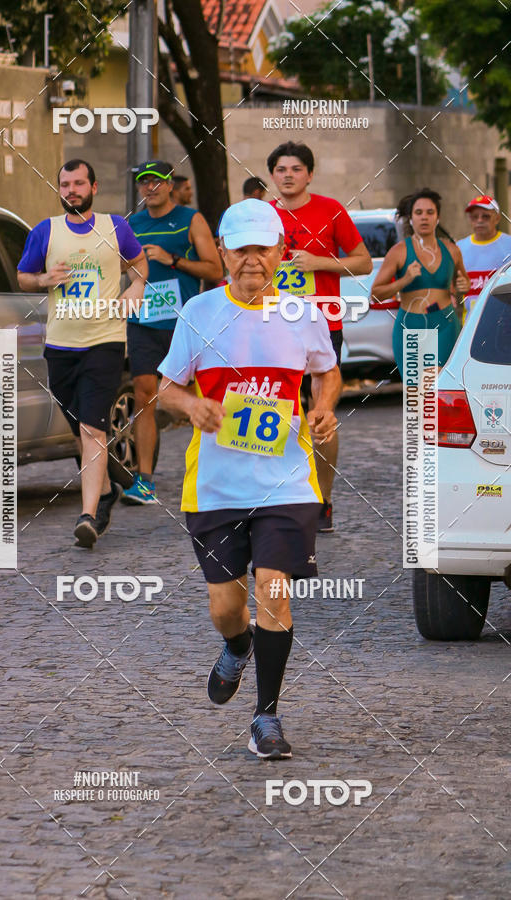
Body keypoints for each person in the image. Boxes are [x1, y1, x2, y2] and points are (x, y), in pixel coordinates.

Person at [157, 199, 341, 759]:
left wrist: (325, 408)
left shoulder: (302, 314)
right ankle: (236, 645)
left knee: (274, 593)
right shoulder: (200, 314)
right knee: (225, 606)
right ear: (223, 252)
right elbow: (163, 390)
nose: (253, 261)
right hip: (216, 485)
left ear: (281, 252)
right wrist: (192, 407)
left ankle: (266, 717)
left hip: (286, 483)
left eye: (264, 248)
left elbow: (328, 374)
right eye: (241, 250)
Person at [17, 158, 147, 548]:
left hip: (104, 341)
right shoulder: (46, 231)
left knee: (92, 427)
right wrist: (43, 279)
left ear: (94, 187)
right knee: (82, 429)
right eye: (65, 184)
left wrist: (135, 289)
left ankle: (89, 515)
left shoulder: (115, 227)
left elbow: (139, 264)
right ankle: (108, 487)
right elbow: (23, 277)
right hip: (60, 348)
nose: (71, 190)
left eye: (78, 183)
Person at [267, 140, 372, 533]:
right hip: (271, 326)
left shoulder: (331, 210)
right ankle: (284, 496)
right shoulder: (264, 216)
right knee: (276, 412)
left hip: (323, 324)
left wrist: (318, 262)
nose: (288, 175)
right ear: (273, 175)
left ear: (309, 174)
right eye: (281, 170)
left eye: (296, 169)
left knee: (320, 414)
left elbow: (362, 261)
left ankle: (323, 500)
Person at [122, 160, 223, 505]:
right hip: (144, 320)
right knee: (144, 394)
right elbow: (118, 268)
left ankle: (211, 472)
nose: (150, 188)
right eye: (143, 182)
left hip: (185, 321)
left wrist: (172, 259)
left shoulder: (190, 219)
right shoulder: (130, 224)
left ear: (170, 185)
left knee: (197, 393)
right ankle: (144, 480)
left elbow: (215, 268)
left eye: (156, 182)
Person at [371, 187, 471, 375]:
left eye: (430, 212)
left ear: (437, 218)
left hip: (444, 323)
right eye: (418, 212)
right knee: (415, 398)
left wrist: (463, 285)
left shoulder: (452, 250)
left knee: (436, 388)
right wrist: (405, 280)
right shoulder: (399, 251)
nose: (424, 217)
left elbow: (463, 283)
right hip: (410, 324)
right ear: (411, 219)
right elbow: (375, 295)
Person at [456, 195, 511, 317]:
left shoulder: (509, 245)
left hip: (504, 322)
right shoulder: (459, 247)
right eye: (474, 217)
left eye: (485, 216)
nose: (479, 220)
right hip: (471, 324)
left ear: (497, 218)